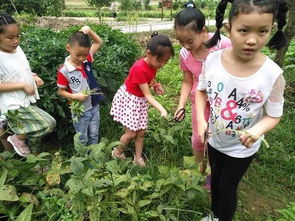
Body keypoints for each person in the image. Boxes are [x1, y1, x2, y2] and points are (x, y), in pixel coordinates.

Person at [196, 0, 288, 220]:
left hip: (242, 148)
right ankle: (214, 215)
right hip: (215, 140)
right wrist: (201, 120)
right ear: (229, 28)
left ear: (272, 28)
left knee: (227, 187)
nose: (253, 40)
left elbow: (273, 114)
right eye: (244, 30)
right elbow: (201, 92)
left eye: (263, 31)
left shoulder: (272, 75)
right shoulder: (213, 60)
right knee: (215, 180)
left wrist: (256, 131)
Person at [174, 1, 231, 190]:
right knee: (199, 137)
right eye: (181, 41)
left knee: (219, 137)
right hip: (199, 101)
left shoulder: (223, 45)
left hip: (223, 102)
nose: (185, 46)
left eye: (189, 41)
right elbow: (187, 81)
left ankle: (216, 172)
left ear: (204, 31)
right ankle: (200, 168)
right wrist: (181, 105)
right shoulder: (184, 54)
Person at [110, 32, 174, 166]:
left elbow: (149, 77)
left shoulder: (152, 64)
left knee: (141, 132)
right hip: (131, 101)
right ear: (148, 54)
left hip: (139, 101)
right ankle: (117, 151)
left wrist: (156, 84)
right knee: (131, 133)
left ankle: (138, 158)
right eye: (160, 60)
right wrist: (161, 109)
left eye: (165, 61)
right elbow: (148, 95)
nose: (162, 64)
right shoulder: (139, 68)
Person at [0, 12, 56, 157]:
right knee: (48, 123)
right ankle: (18, 138)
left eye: (18, 36)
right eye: (10, 37)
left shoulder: (16, 49)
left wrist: (33, 76)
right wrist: (22, 85)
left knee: (34, 131)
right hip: (13, 104)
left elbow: (20, 69)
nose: (16, 41)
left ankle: (35, 160)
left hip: (24, 99)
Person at [57, 26, 103, 146]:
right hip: (80, 110)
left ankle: (94, 156)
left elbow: (98, 42)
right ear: (68, 48)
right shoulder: (64, 71)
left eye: (85, 54)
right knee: (82, 137)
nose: (82, 58)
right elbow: (60, 91)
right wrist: (76, 96)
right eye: (78, 55)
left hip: (94, 106)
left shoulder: (86, 59)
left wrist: (89, 30)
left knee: (94, 134)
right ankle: (83, 158)